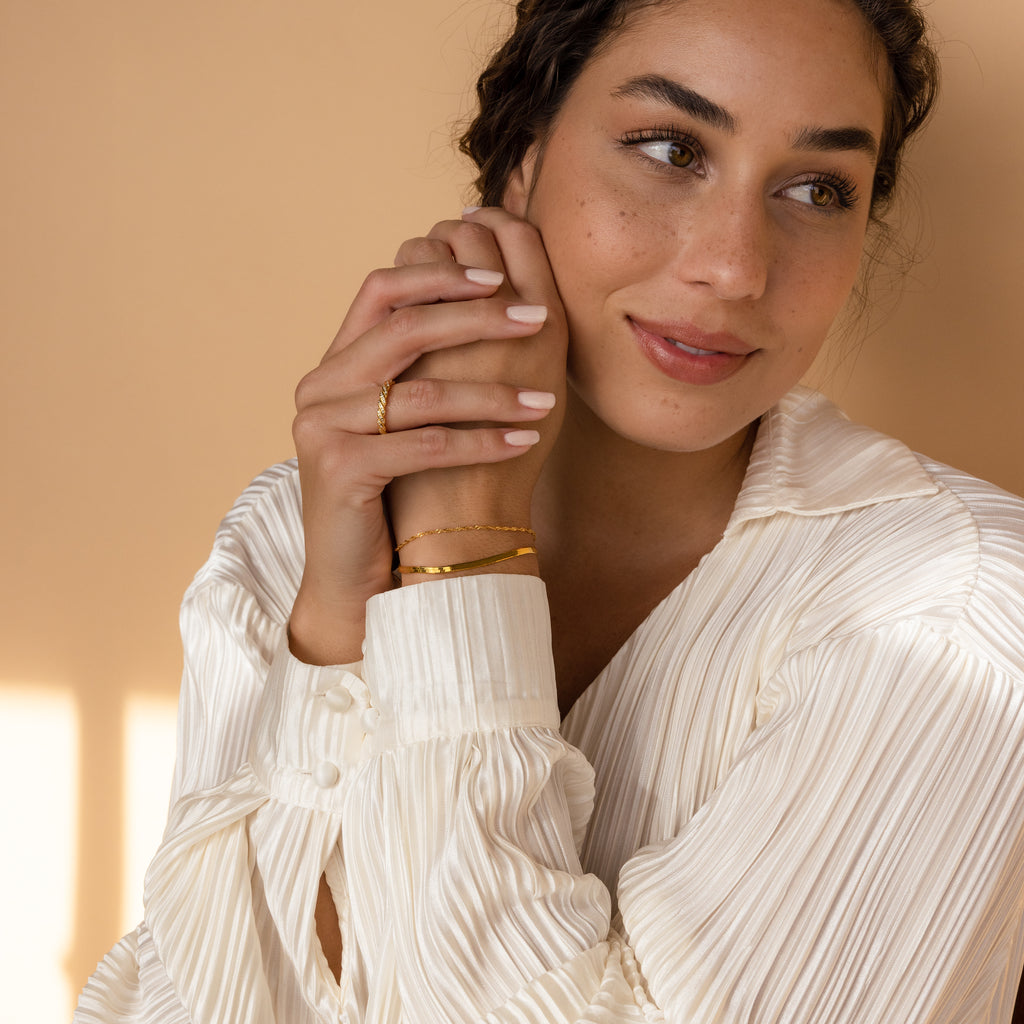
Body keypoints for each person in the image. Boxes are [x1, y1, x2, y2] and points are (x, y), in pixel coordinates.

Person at [75, 0, 1024, 1020]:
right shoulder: (295, 532)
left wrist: (463, 559)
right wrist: (336, 632)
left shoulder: (954, 619)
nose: (734, 266)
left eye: (815, 188)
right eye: (670, 148)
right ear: (521, 161)